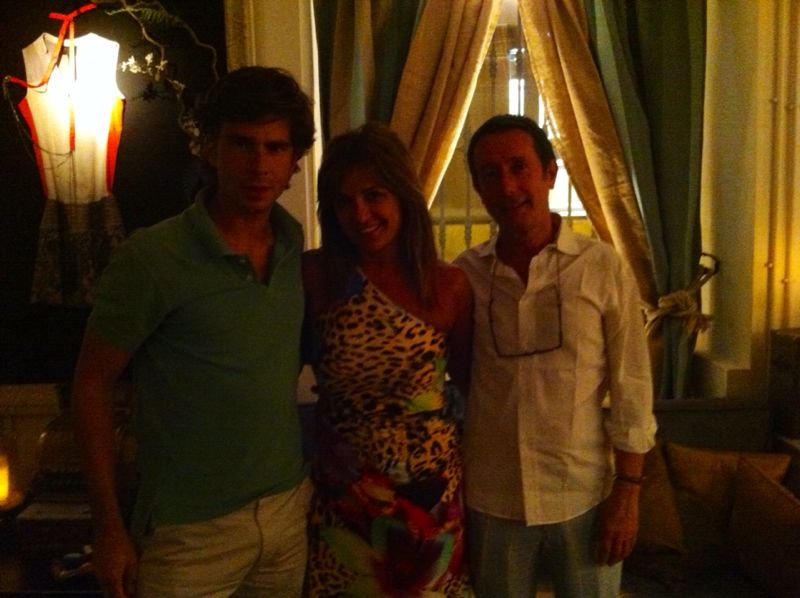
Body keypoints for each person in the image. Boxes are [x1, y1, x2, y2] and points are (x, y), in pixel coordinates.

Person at [72, 66, 316, 598]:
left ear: (295, 161)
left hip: (285, 511)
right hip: (188, 532)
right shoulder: (152, 258)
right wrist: (107, 527)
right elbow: (90, 385)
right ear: (209, 147)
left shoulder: (294, 246)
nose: (259, 165)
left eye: (276, 148)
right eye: (242, 144)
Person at [454, 114, 657, 598]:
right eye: (490, 174)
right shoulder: (464, 275)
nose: (507, 186)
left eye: (518, 167)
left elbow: (632, 386)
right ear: (478, 188)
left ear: (550, 173)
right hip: (492, 496)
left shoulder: (601, 266)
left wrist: (628, 493)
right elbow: (457, 374)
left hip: (583, 494)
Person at [302, 122, 474, 597]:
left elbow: (469, 388)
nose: (360, 214)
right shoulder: (315, 277)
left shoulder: (449, 285)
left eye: (373, 195)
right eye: (344, 201)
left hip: (431, 503)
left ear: (403, 196)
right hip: (344, 499)